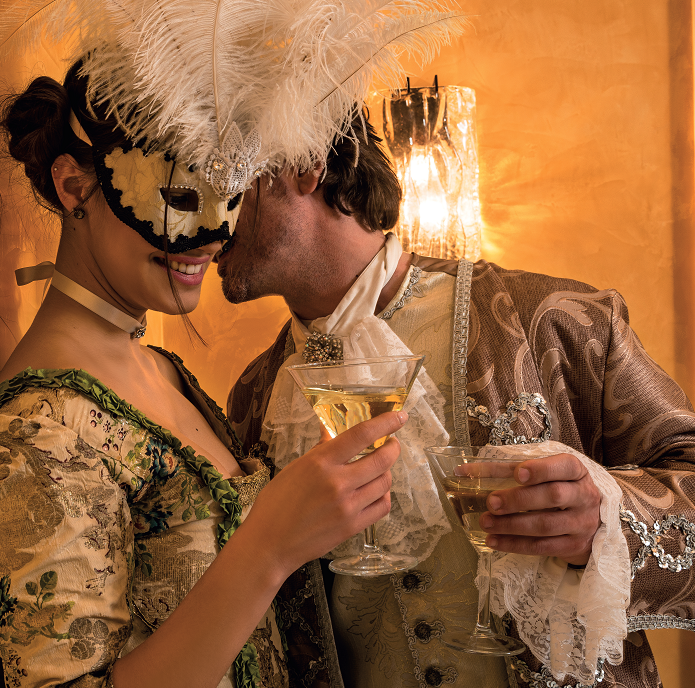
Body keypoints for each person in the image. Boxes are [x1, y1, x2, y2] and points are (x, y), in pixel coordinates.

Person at [0, 62, 406, 688]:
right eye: (180, 200)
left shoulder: (162, 370)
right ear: (75, 187)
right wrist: (269, 547)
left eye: (228, 196)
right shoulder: (39, 426)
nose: (212, 239)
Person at [220, 112, 695, 688]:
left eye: (221, 177)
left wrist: (607, 518)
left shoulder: (555, 321)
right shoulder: (253, 398)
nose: (202, 220)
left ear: (303, 165)